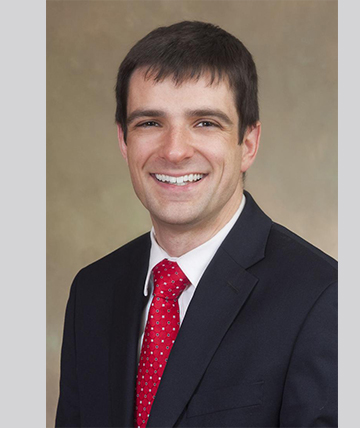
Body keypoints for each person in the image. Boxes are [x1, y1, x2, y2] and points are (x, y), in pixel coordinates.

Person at [56, 21, 337, 428]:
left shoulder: (322, 298)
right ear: (124, 141)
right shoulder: (92, 292)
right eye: (150, 123)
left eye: (205, 122)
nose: (174, 151)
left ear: (248, 143)